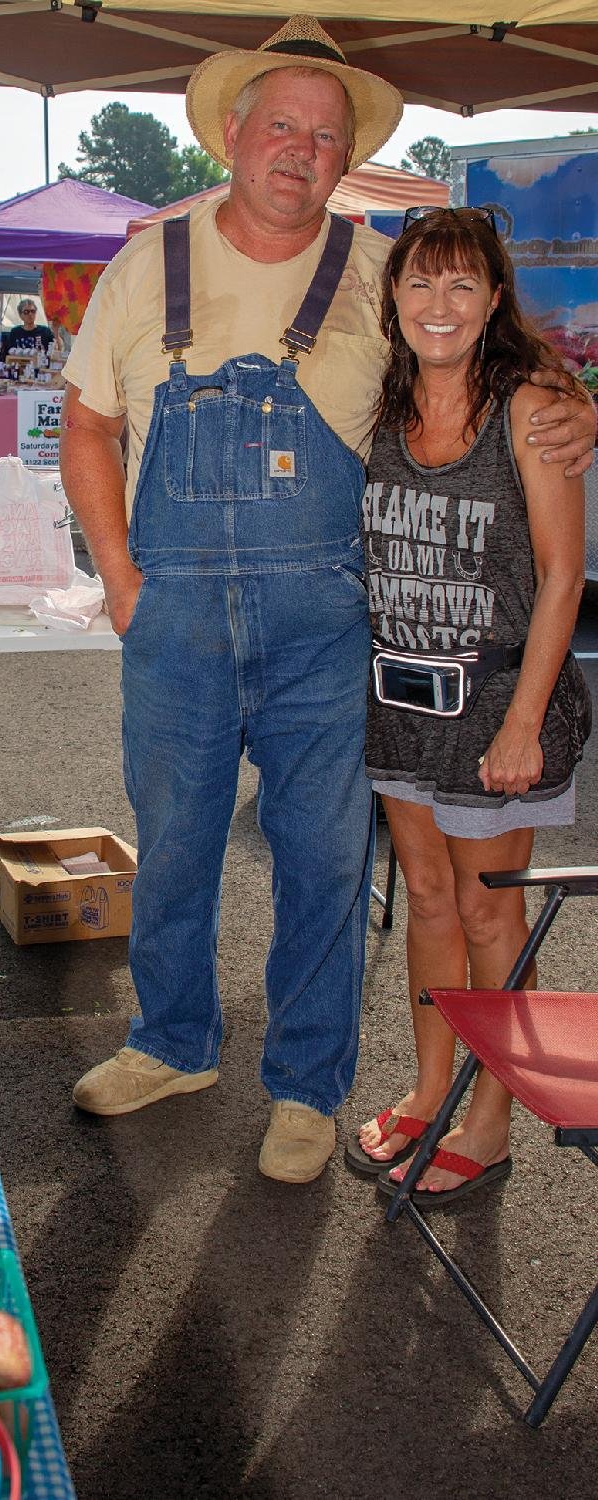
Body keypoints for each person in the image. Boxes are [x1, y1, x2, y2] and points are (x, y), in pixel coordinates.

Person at [59, 16, 596, 1185]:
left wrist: (573, 403)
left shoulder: (378, 268)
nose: (300, 150)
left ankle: (306, 1084)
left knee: (320, 862)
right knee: (179, 844)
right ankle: (171, 1041)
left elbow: (485, 357)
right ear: (234, 135)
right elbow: (89, 425)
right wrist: (120, 581)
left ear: (342, 156)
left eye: (324, 135)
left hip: (327, 619)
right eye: (282, 127)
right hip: (176, 614)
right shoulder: (146, 261)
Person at [345, 207, 592, 1205]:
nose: (437, 305)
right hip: (398, 698)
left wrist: (525, 721)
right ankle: (430, 1086)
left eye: (460, 286)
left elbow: (563, 574)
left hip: (495, 704)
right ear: (392, 297)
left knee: (493, 920)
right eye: (419, 283)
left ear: (493, 300)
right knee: (429, 897)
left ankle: (488, 1125)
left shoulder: (530, 406)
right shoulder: (381, 405)